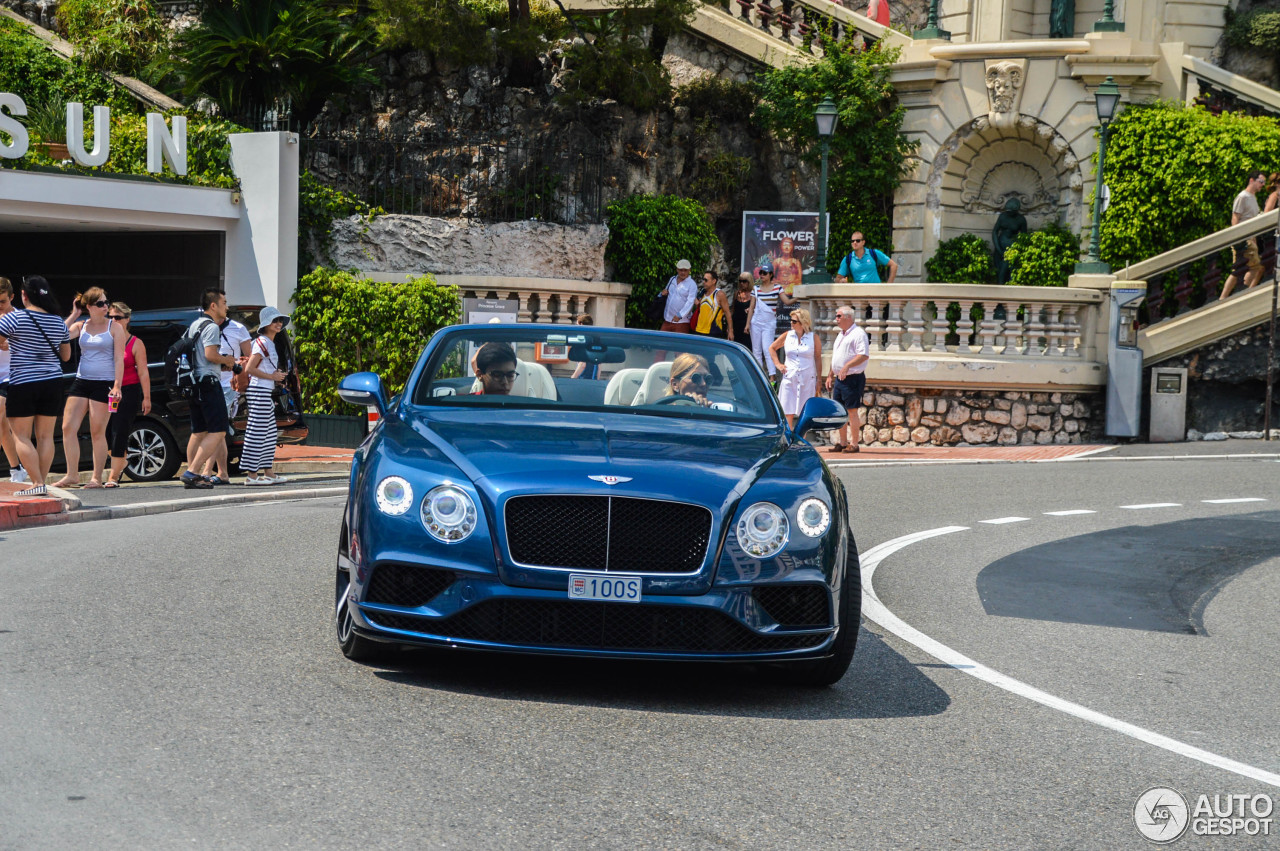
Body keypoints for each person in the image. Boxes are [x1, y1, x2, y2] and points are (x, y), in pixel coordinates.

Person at [0, 276, 71, 496]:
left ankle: (36, 483)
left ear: (23, 295)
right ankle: (41, 483)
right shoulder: (58, 321)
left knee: (21, 435)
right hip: (53, 382)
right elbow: (66, 356)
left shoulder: (14, 319)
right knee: (45, 436)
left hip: (24, 382)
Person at [51, 287, 128, 489]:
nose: (105, 307)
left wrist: (117, 386)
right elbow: (59, 335)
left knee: (97, 431)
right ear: (89, 307)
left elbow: (120, 358)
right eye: (101, 303)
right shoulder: (81, 325)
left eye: (106, 302)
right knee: (67, 426)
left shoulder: (114, 327)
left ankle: (96, 477)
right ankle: (72, 475)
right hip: (82, 380)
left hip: (104, 382)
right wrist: (75, 313)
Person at [180, 289, 238, 490]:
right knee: (219, 429)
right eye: (224, 302)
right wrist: (227, 360)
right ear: (213, 305)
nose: (226, 307)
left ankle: (192, 474)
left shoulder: (194, 324)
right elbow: (210, 355)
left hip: (194, 383)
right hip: (208, 383)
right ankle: (193, 472)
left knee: (198, 431)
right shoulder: (212, 326)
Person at [194, 311, 252, 485]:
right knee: (218, 429)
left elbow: (248, 357)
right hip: (209, 382)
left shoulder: (238, 328)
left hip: (228, 385)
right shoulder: (203, 327)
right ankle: (222, 472)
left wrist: (239, 373)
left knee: (216, 428)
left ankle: (206, 471)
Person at [241, 307, 291, 486]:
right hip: (259, 392)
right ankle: (252, 476)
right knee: (257, 433)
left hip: (263, 391)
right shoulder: (262, 342)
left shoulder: (267, 342)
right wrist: (272, 377)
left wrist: (274, 376)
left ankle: (268, 472)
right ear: (265, 324)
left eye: (279, 321)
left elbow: (259, 368)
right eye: (274, 321)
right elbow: (250, 369)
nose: (278, 324)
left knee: (269, 434)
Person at [103, 302, 150, 487]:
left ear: (127, 319)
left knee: (120, 430)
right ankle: (120, 461)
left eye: (118, 318)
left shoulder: (135, 343)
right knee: (106, 431)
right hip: (108, 391)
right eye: (111, 317)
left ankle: (113, 475)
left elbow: (143, 372)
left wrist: (146, 397)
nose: (114, 321)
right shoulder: (108, 341)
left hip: (128, 390)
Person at [825, 305, 870, 453]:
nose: (836, 319)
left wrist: (847, 366)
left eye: (839, 316)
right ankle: (843, 442)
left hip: (852, 378)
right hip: (840, 378)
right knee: (840, 411)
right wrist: (830, 374)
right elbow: (837, 357)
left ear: (848, 317)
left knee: (852, 410)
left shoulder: (858, 334)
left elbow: (863, 355)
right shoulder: (841, 334)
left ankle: (854, 443)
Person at [769, 308, 822, 430]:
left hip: (807, 378)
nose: (791, 323)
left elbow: (818, 358)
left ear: (803, 322)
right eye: (791, 320)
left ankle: (801, 438)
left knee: (805, 411)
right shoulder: (787, 335)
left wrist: (819, 379)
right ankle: (788, 437)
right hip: (790, 377)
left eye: (794, 321)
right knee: (787, 410)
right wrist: (778, 364)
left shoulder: (813, 338)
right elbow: (772, 348)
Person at [1221, 170, 1267, 299]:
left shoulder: (1253, 197)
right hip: (1242, 239)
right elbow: (1235, 218)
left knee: (1249, 267)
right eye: (1261, 181)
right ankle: (1234, 295)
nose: (1263, 184)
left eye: (1264, 182)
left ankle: (1238, 294)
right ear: (1252, 180)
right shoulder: (1243, 197)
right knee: (1245, 268)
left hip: (1250, 239)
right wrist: (1237, 238)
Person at [0, 278, 27, 484]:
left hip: (13, 376)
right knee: (3, 426)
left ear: (12, 297)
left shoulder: (20, 318)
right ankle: (16, 469)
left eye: (2, 301)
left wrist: (13, 344)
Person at [751, 263, 796, 383]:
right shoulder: (755, 289)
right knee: (756, 350)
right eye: (760, 273)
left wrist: (799, 297)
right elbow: (751, 308)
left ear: (771, 274)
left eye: (764, 273)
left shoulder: (777, 288)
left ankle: (772, 376)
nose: (762, 275)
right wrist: (746, 324)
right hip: (756, 322)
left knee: (768, 348)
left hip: (769, 322)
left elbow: (786, 301)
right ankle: (759, 375)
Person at [992, 199, 1029, 284]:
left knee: (1007, 266)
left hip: (1012, 247)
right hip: (1001, 245)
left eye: (1010, 211)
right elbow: (995, 231)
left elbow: (1024, 237)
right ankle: (1002, 285)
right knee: (1000, 267)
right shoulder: (1002, 216)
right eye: (1007, 211)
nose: (1008, 213)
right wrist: (998, 248)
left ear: (1016, 211)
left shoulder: (1021, 220)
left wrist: (1018, 249)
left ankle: (1006, 285)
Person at [691, 270, 732, 340]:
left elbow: (727, 313)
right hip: (698, 330)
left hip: (713, 332)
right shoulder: (702, 293)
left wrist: (730, 330)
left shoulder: (719, 294)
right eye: (703, 279)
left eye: (706, 280)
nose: (704, 282)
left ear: (714, 281)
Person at [659, 259, 698, 333]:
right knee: (661, 342)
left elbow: (690, 302)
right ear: (677, 269)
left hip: (682, 322)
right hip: (667, 319)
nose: (683, 272)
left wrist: (680, 315)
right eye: (681, 270)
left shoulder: (692, 284)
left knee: (679, 344)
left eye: (685, 270)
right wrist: (662, 293)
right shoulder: (672, 279)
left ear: (689, 270)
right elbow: (666, 292)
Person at [730, 273, 755, 350]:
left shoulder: (753, 295)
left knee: (747, 348)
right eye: (740, 281)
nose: (741, 283)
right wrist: (729, 327)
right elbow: (733, 310)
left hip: (747, 326)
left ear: (749, 282)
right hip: (736, 325)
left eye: (744, 281)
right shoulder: (737, 293)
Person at [571, 315, 599, 379]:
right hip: (593, 382)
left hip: (582, 381)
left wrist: (573, 378)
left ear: (581, 324)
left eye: (577, 325)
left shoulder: (582, 341)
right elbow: (599, 366)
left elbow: (582, 365)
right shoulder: (595, 341)